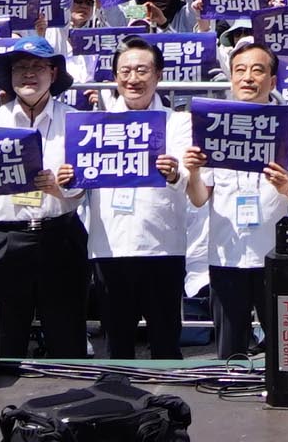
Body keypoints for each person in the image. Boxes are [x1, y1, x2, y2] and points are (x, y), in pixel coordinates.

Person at [82, 39, 201, 361]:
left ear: (158, 75)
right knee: (117, 345)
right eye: (125, 71)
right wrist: (67, 179)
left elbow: (188, 182)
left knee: (165, 342)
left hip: (162, 247)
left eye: (142, 70)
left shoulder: (178, 122)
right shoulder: (94, 126)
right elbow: (76, 187)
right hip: (110, 247)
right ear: (115, 77)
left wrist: (175, 173)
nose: (133, 78)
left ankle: (168, 407)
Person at [0, 40, 85, 357]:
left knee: (67, 339)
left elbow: (87, 185)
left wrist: (59, 189)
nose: (29, 75)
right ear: (9, 76)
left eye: (37, 67)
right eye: (21, 67)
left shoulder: (77, 122)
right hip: (2, 238)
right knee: (2, 343)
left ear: (53, 72)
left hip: (60, 235)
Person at [197, 41, 288, 359]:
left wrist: (286, 187)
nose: (248, 77)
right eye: (240, 70)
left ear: (273, 80)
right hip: (227, 257)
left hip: (275, 256)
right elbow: (199, 198)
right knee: (229, 352)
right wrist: (192, 172)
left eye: (257, 70)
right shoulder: (212, 126)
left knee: (286, 353)